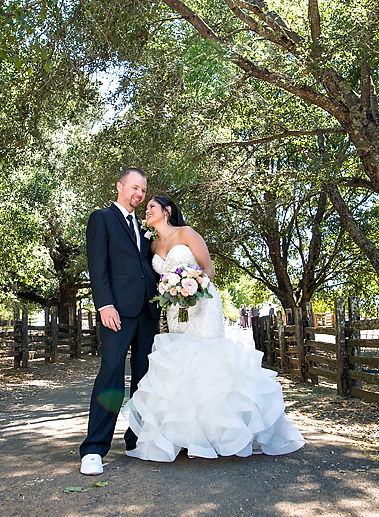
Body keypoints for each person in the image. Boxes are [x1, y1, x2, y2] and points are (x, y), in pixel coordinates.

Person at [120, 196, 305, 462]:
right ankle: (187, 437)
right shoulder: (153, 245)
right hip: (175, 309)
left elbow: (208, 268)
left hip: (201, 304)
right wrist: (173, 293)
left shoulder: (186, 233)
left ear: (167, 211)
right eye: (146, 207)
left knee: (208, 365)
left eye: (151, 206)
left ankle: (216, 436)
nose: (146, 210)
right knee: (181, 367)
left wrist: (188, 287)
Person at [80, 168, 160, 475]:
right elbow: (97, 265)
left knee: (144, 376)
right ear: (120, 186)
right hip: (116, 311)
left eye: (143, 191)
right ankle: (94, 449)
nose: (139, 194)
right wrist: (105, 305)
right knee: (111, 372)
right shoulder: (102, 219)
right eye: (135, 188)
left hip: (147, 312)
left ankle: (135, 439)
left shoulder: (143, 227)